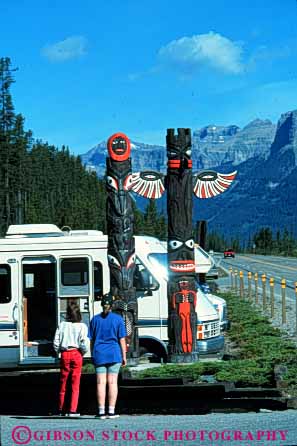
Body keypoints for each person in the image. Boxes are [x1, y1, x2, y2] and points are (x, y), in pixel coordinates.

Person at [88, 293, 127, 419]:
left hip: (99, 353)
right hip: (114, 354)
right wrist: (124, 356)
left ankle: (100, 412)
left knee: (100, 382)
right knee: (112, 382)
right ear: (112, 305)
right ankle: (111, 411)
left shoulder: (95, 319)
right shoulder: (118, 319)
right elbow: (122, 340)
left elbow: (92, 340)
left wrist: (93, 353)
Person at [53, 301, 89, 417]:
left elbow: (56, 342)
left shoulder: (62, 325)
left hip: (65, 353)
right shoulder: (82, 326)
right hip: (76, 353)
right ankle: (72, 410)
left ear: (67, 314)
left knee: (63, 382)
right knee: (75, 383)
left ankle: (61, 409)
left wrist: (59, 351)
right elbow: (84, 343)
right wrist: (82, 352)